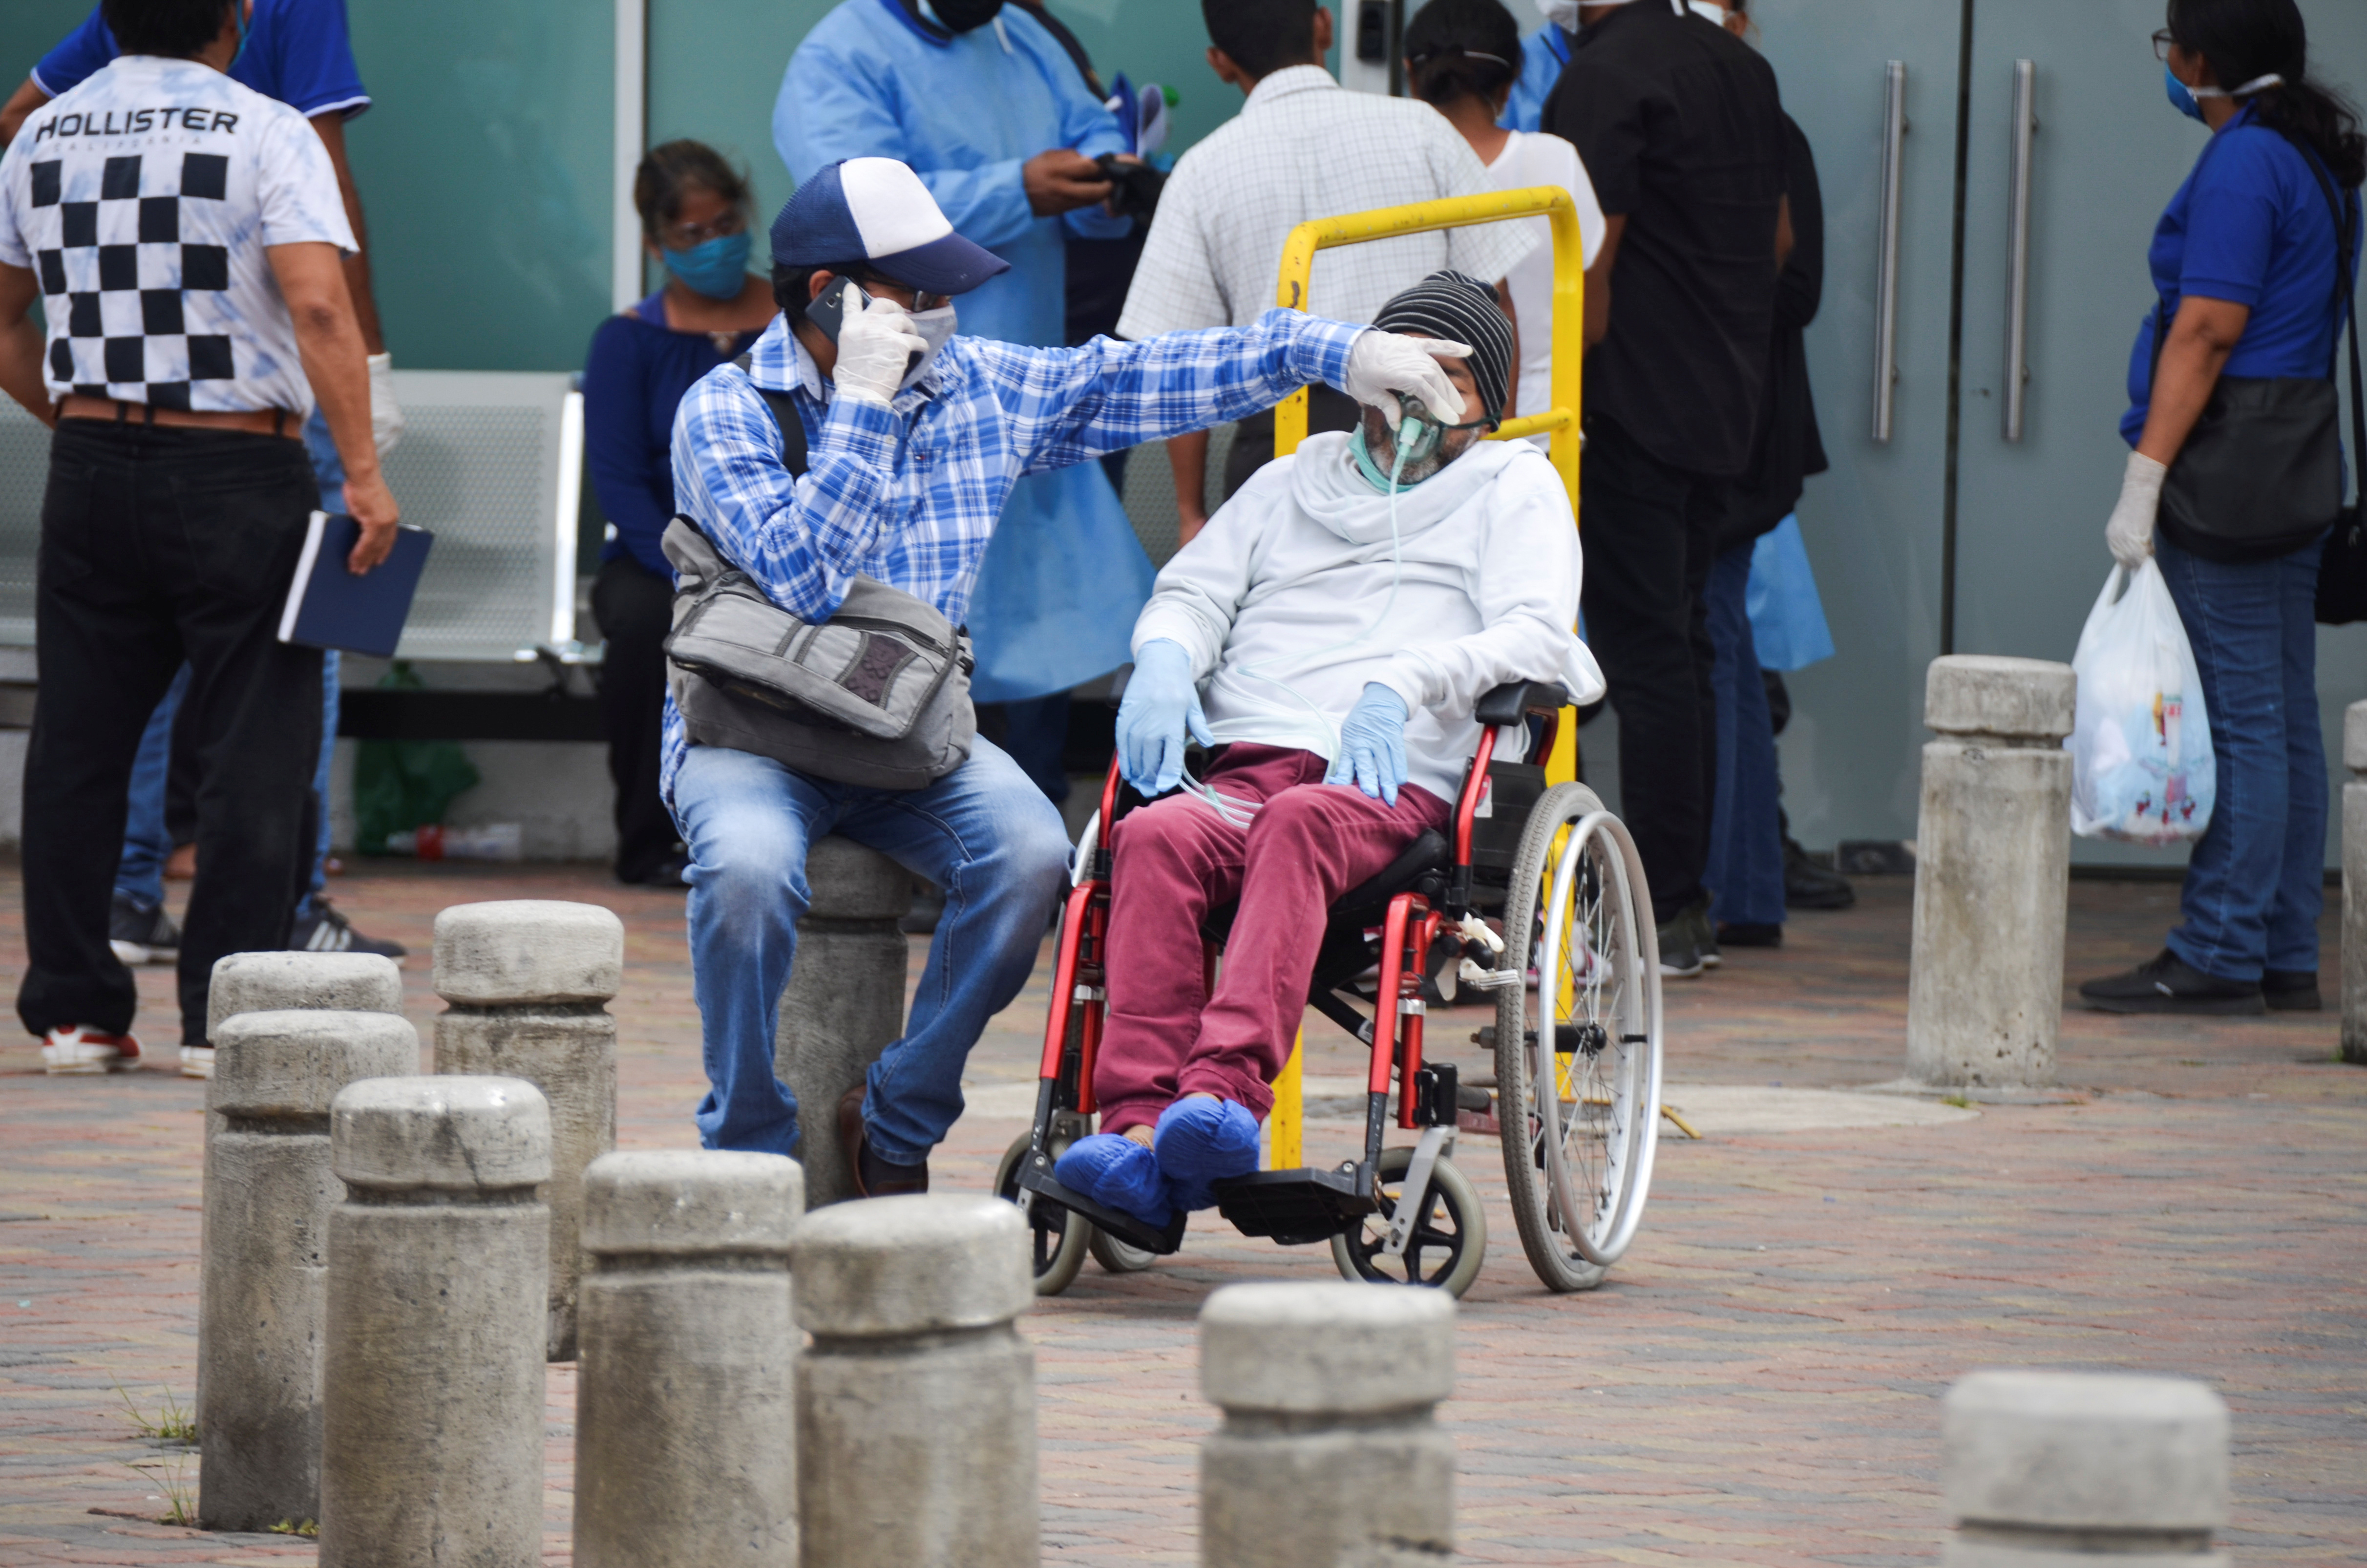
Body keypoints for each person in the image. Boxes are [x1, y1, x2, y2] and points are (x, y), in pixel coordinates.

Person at [667, 157, 1477, 1193]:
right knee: (744, 874)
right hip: (752, 735)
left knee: (1031, 858)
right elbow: (803, 579)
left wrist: (1338, 350)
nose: (944, 309)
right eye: (918, 290)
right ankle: (747, 1141)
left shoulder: (978, 388)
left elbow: (1150, 375)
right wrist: (862, 407)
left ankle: (898, 1118)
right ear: (833, 297)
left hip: (907, 732)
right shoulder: (725, 411)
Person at [1048, 274, 1600, 1227]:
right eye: (1404, 378)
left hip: (1387, 778)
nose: (1419, 405)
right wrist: (1166, 660)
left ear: (1489, 405)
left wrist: (1406, 681)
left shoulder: (1511, 485)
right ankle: (1138, 1130)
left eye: (1451, 385)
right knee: (1155, 837)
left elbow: (1539, 637)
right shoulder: (1286, 482)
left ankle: (1219, 1100)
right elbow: (1192, 591)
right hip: (1248, 763)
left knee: (1300, 823)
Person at [0, 0, 397, 1074]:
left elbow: (2, 316)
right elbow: (318, 309)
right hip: (236, 470)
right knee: (253, 744)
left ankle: (75, 1012)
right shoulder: (267, 129)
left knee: (78, 742)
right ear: (237, 15)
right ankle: (223, 1013)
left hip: (87, 470)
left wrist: (73, 419)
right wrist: (363, 473)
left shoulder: (41, 132)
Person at [774, 0, 1149, 805]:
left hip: (1021, 390)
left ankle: (1031, 830)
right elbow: (849, 211)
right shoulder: (839, 57)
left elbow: (1090, 134)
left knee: (1040, 618)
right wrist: (1017, 190)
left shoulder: (1020, 34)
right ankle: (906, 826)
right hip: (906, 397)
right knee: (911, 629)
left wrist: (1102, 179)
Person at [2079, 0, 2362, 1017]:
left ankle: (2218, 947)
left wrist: (2143, 477)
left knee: (2243, 722)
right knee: (2278, 715)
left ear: (2197, 60)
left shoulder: (2245, 162)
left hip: (2231, 468)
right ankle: (2280, 944)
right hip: (2293, 465)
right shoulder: (2311, 156)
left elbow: (2203, 328)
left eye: (2172, 46)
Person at [1544, 0, 1788, 978]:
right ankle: (1680, 908)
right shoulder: (1740, 68)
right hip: (1722, 404)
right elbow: (1773, 244)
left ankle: (1646, 911)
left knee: (1644, 659)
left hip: (1629, 405)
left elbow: (1584, 263)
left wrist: (1571, 377)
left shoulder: (1603, 77)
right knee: (1683, 653)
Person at [1118, 0, 1535, 543]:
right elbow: (1494, 301)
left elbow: (1184, 361)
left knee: (1291, 619)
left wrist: (1192, 515)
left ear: (1219, 62)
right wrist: (1496, 438)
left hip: (1278, 457)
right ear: (1324, 24)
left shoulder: (1200, 171)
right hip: (1425, 431)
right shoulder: (1421, 128)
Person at [582, 141, 774, 888]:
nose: (714, 243)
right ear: (657, 242)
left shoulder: (795, 325)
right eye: (692, 234)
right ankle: (648, 839)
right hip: (657, 558)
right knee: (640, 628)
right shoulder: (627, 341)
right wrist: (692, 571)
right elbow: (621, 482)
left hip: (782, 548)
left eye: (725, 223)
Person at [1691, 0, 1828, 950]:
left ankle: (1730, 884)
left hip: (1730, 430)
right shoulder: (1732, 122)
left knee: (1711, 638)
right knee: (1720, 641)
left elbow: (1798, 285)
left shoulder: (1765, 132)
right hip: (1735, 426)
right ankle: (1743, 886)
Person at [1404, 0, 1606, 440]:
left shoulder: (1392, 171)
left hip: (1413, 440)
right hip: (1544, 429)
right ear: (1514, 79)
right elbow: (1592, 321)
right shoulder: (1556, 162)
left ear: (1411, 76)